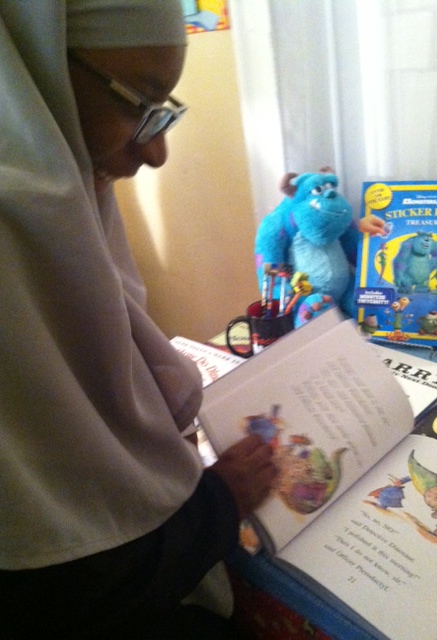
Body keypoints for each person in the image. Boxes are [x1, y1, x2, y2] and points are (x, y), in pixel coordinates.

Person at [0, 1, 277, 638]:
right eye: (139, 102)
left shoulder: (72, 200)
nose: (156, 152)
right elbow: (48, 594)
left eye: (164, 109)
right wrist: (217, 505)